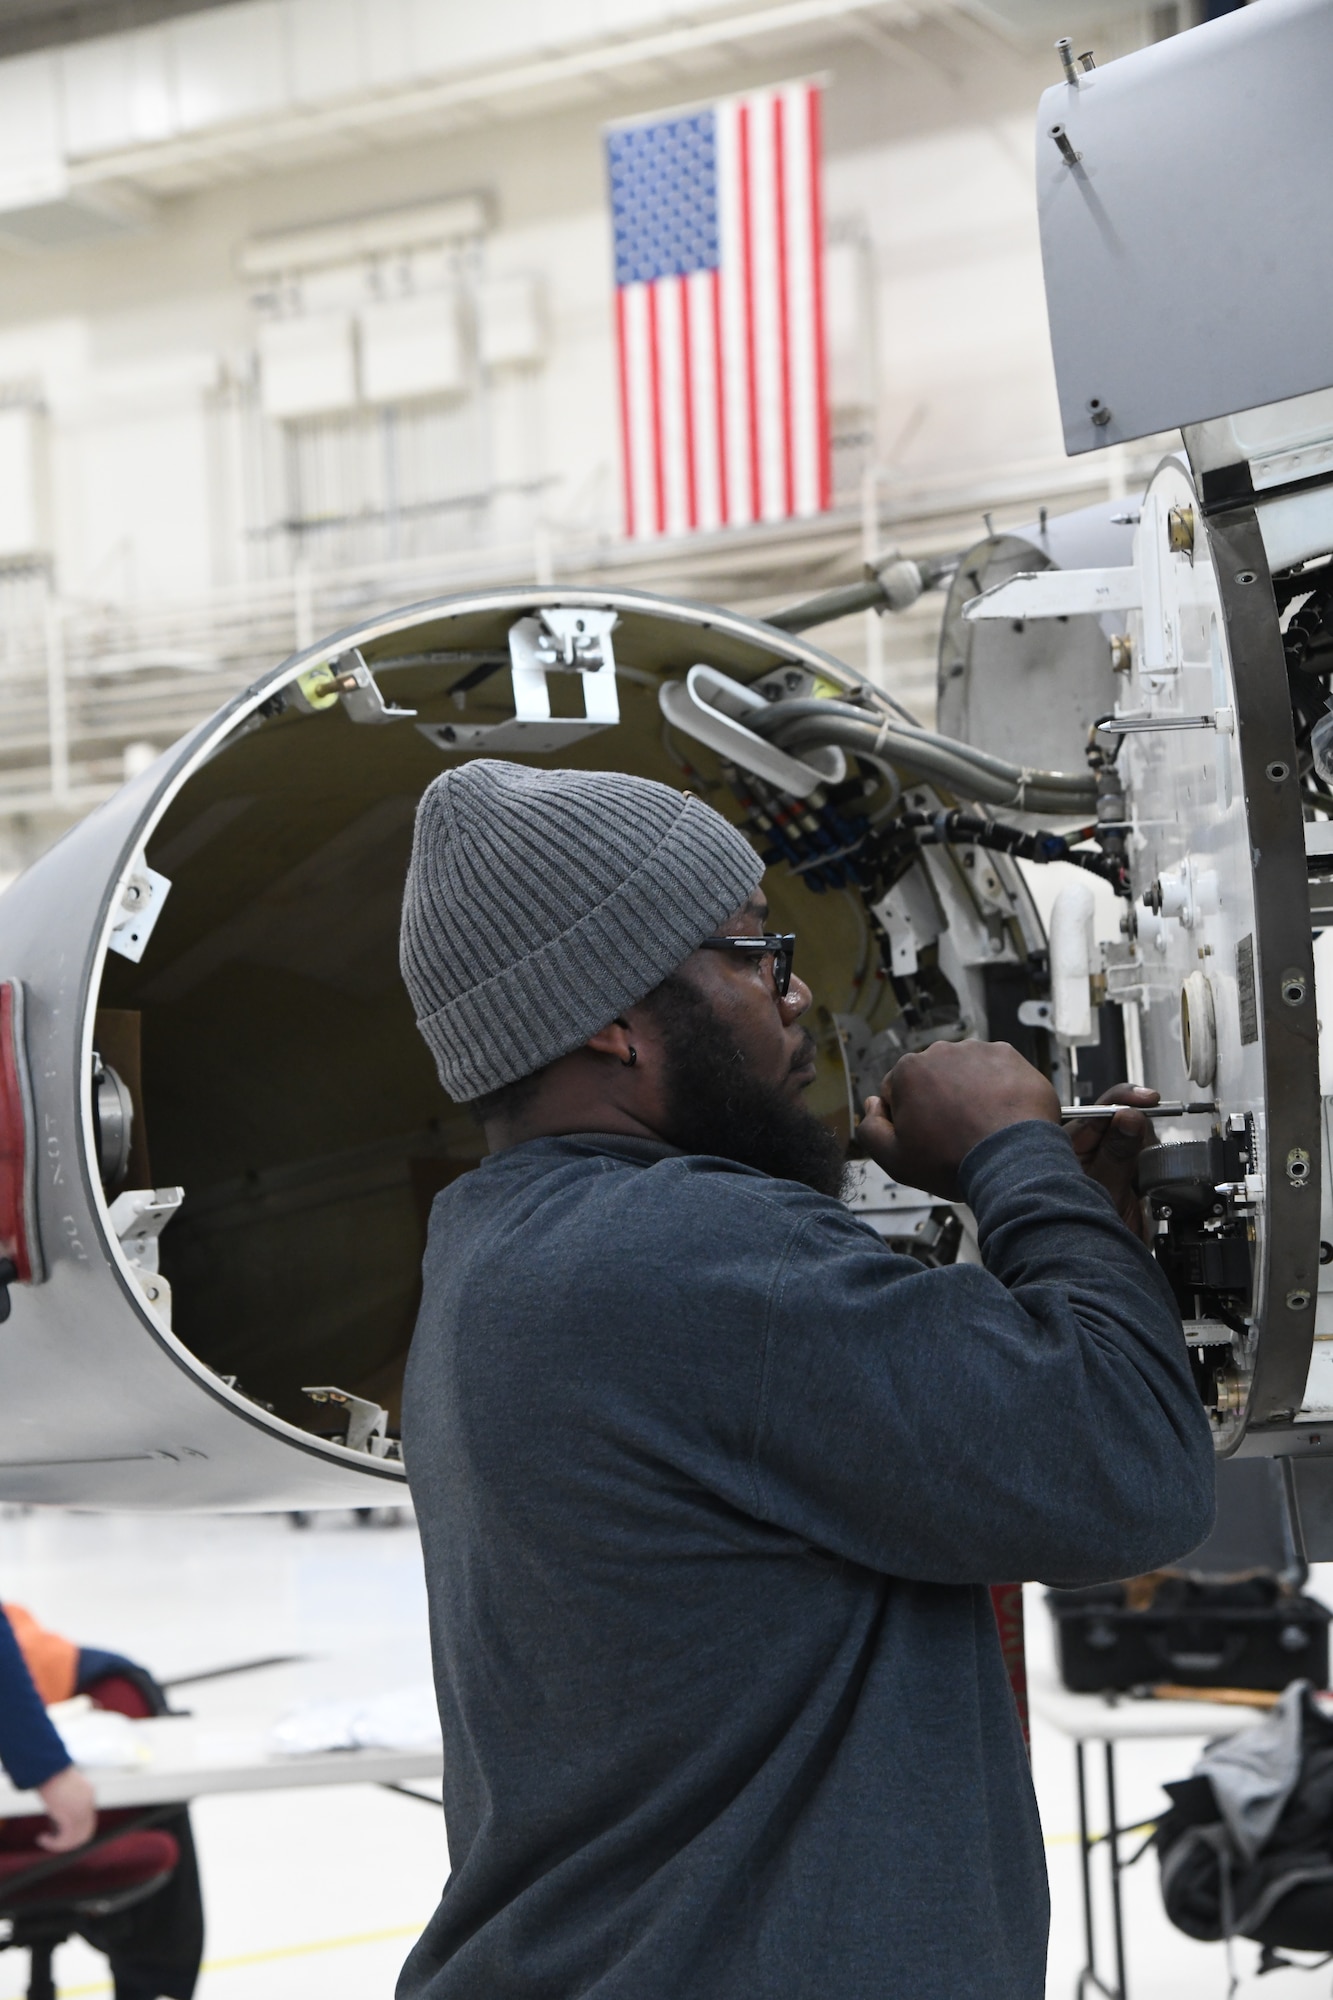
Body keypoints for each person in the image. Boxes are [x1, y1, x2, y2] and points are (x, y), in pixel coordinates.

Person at [395, 760, 1216, 2000]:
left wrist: (1058, 1227)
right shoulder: (684, 1253)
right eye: (753, 958)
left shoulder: (505, 1251)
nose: (795, 998)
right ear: (615, 1021)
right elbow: (1129, 1477)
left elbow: (947, 1446)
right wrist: (1009, 1150)